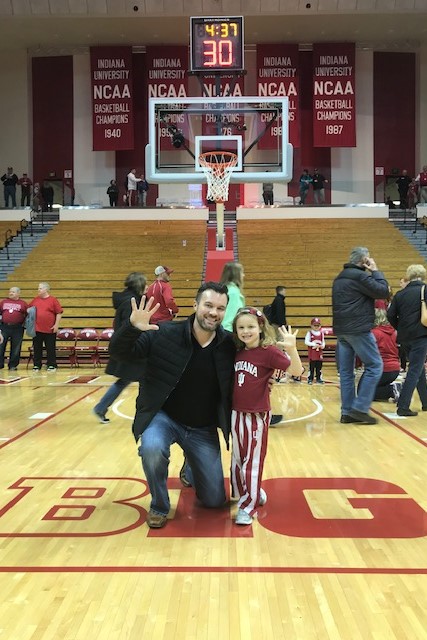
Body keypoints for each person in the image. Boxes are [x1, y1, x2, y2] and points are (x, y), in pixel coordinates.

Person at [109, 281, 235, 529]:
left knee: (214, 500)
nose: (213, 312)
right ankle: (159, 505)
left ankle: (190, 465)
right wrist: (132, 328)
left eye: (220, 308)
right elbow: (120, 353)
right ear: (195, 305)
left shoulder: (229, 344)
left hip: (202, 427)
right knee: (152, 449)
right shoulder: (163, 333)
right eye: (208, 305)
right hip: (163, 417)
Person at [230, 307, 303, 525]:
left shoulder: (270, 351)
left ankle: (248, 506)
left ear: (261, 328)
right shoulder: (237, 351)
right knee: (237, 460)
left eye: (250, 326)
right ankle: (250, 494)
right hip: (236, 413)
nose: (246, 331)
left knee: (252, 462)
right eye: (241, 327)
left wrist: (292, 349)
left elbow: (297, 371)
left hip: (257, 415)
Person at [332, 247, 389, 424]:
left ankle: (347, 412)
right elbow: (383, 292)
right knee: (375, 365)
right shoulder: (360, 276)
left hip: (342, 331)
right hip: (358, 329)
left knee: (347, 373)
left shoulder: (339, 278)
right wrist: (375, 270)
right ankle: (360, 408)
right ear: (364, 259)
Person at [93, 272, 147, 424]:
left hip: (126, 346)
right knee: (146, 379)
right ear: (139, 285)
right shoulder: (132, 302)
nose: (147, 287)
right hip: (132, 348)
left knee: (125, 380)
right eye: (145, 284)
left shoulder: (126, 299)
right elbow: (131, 327)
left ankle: (101, 407)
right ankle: (147, 413)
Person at [387, 264, 427, 416]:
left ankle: (425, 402)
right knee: (415, 370)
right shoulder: (425, 290)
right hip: (421, 335)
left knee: (419, 368)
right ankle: (403, 406)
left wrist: (400, 327)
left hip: (404, 338)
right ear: (422, 275)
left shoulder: (400, 294)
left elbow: (390, 314)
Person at [365, 309, 401, 402]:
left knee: (363, 391)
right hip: (395, 368)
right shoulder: (394, 332)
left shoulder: (374, 333)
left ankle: (391, 390)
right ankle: (391, 389)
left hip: (382, 369)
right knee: (373, 387)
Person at [29, 282, 63, 371]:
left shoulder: (53, 300)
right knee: (37, 348)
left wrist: (56, 325)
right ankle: (37, 365)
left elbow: (59, 312)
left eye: (40, 288)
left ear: (46, 289)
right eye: (38, 288)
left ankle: (51, 364)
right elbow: (29, 309)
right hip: (37, 329)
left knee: (50, 348)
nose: (38, 290)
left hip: (49, 329)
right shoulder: (35, 300)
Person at [0, 286, 28, 370]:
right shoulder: (3, 302)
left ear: (18, 293)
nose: (10, 293)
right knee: (1, 346)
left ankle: (13, 365)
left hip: (18, 328)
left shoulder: (23, 303)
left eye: (13, 292)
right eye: (10, 292)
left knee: (16, 347)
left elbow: (28, 315)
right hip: (4, 327)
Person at [220, 262, 245, 331]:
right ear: (236, 275)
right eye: (241, 273)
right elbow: (227, 320)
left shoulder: (227, 289)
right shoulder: (233, 292)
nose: (243, 275)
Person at [305, 317, 325, 384]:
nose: (316, 327)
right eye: (315, 325)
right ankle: (310, 378)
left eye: (318, 325)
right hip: (312, 353)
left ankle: (319, 378)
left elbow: (323, 342)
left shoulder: (321, 333)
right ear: (311, 325)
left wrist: (322, 346)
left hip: (319, 353)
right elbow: (306, 342)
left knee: (319, 366)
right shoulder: (309, 333)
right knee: (312, 366)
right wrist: (313, 344)